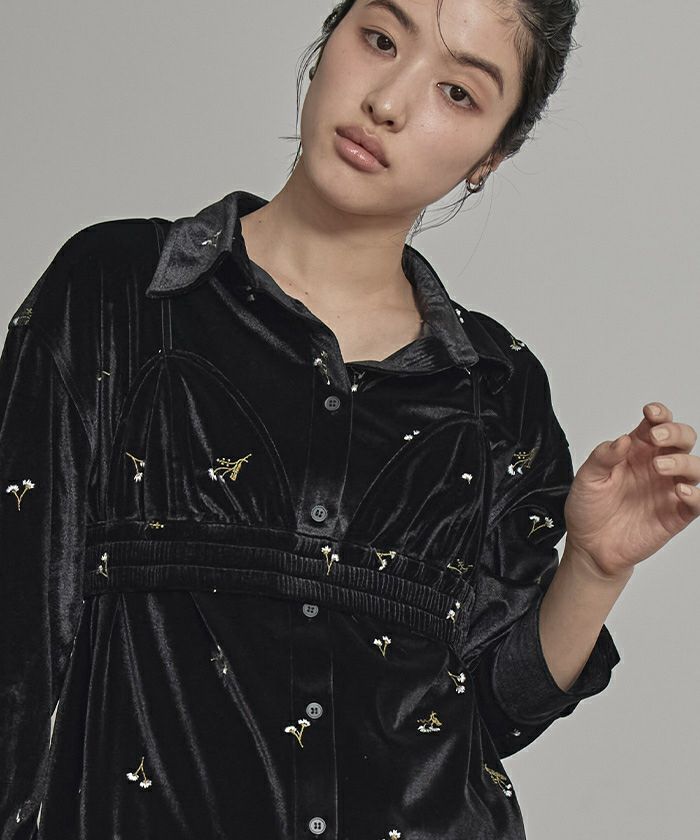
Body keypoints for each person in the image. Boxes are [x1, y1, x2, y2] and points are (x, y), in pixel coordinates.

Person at [1, 1, 698, 838]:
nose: (388, 103)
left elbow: (486, 719)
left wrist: (593, 567)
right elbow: (19, 641)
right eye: (379, 39)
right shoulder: (120, 290)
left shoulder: (496, 392)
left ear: (492, 154)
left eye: (458, 93)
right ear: (328, 37)